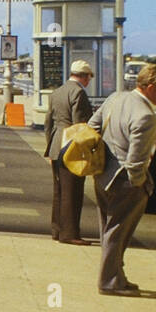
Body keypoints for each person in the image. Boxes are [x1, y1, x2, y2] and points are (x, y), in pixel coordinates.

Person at [88, 62, 156, 296]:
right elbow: (137, 161)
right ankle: (109, 282)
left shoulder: (115, 98)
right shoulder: (146, 116)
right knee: (118, 232)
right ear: (149, 86)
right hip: (126, 181)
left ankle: (117, 276)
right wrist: (140, 184)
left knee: (108, 229)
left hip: (102, 174)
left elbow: (91, 127)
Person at [43, 59, 94, 245]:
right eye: (89, 77)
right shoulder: (78, 92)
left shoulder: (57, 92)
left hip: (56, 144)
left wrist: (49, 148)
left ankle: (56, 229)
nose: (89, 81)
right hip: (71, 146)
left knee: (59, 190)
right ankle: (70, 233)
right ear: (84, 76)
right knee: (72, 191)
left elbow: (48, 123)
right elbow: (80, 125)